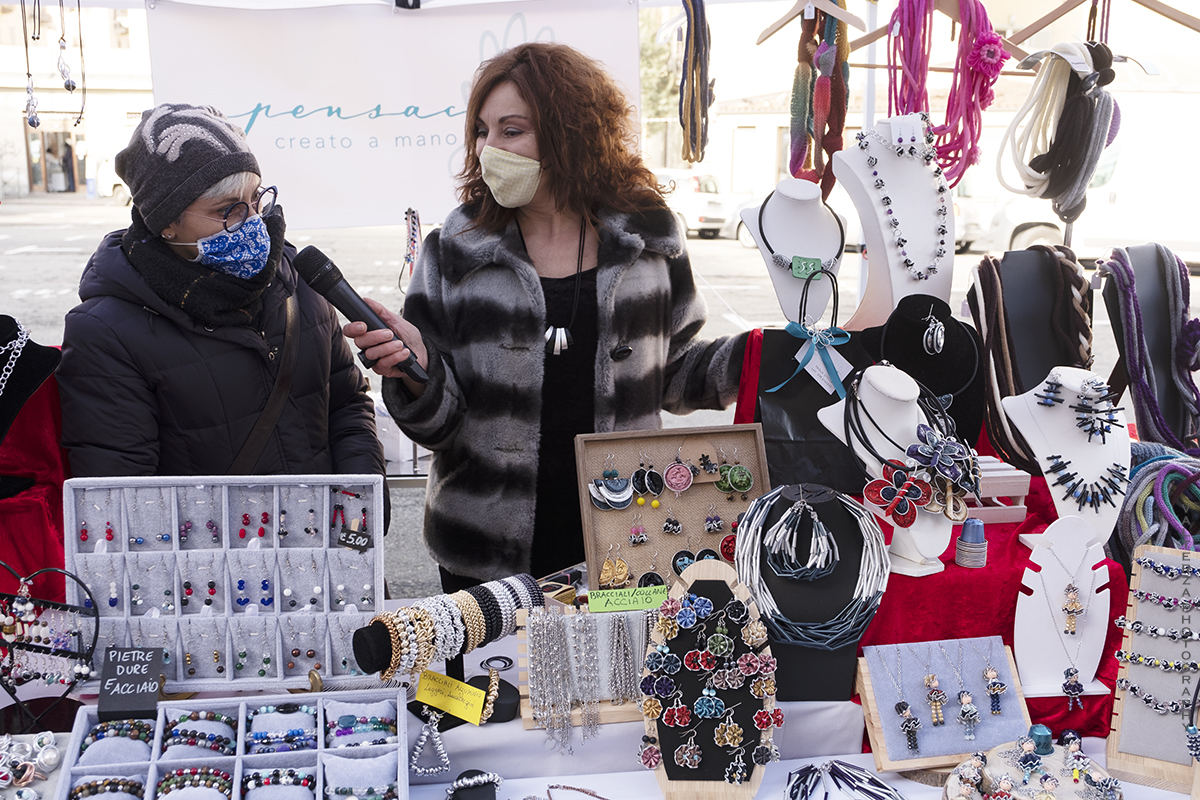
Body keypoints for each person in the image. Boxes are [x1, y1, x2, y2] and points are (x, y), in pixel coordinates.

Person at [346, 43, 746, 588]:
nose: (490, 149)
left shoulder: (649, 241)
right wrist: (417, 375)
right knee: (493, 680)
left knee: (620, 677)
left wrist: (760, 357)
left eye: (511, 130)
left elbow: (674, 374)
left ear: (570, 131)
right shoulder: (455, 252)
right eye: (482, 132)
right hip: (483, 554)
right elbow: (441, 424)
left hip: (626, 546)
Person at [59, 103, 384, 483]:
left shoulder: (298, 281)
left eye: (256, 199)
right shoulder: (104, 333)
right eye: (228, 209)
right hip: (209, 542)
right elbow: (121, 494)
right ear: (167, 223)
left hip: (324, 536)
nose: (253, 222)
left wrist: (360, 504)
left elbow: (347, 404)